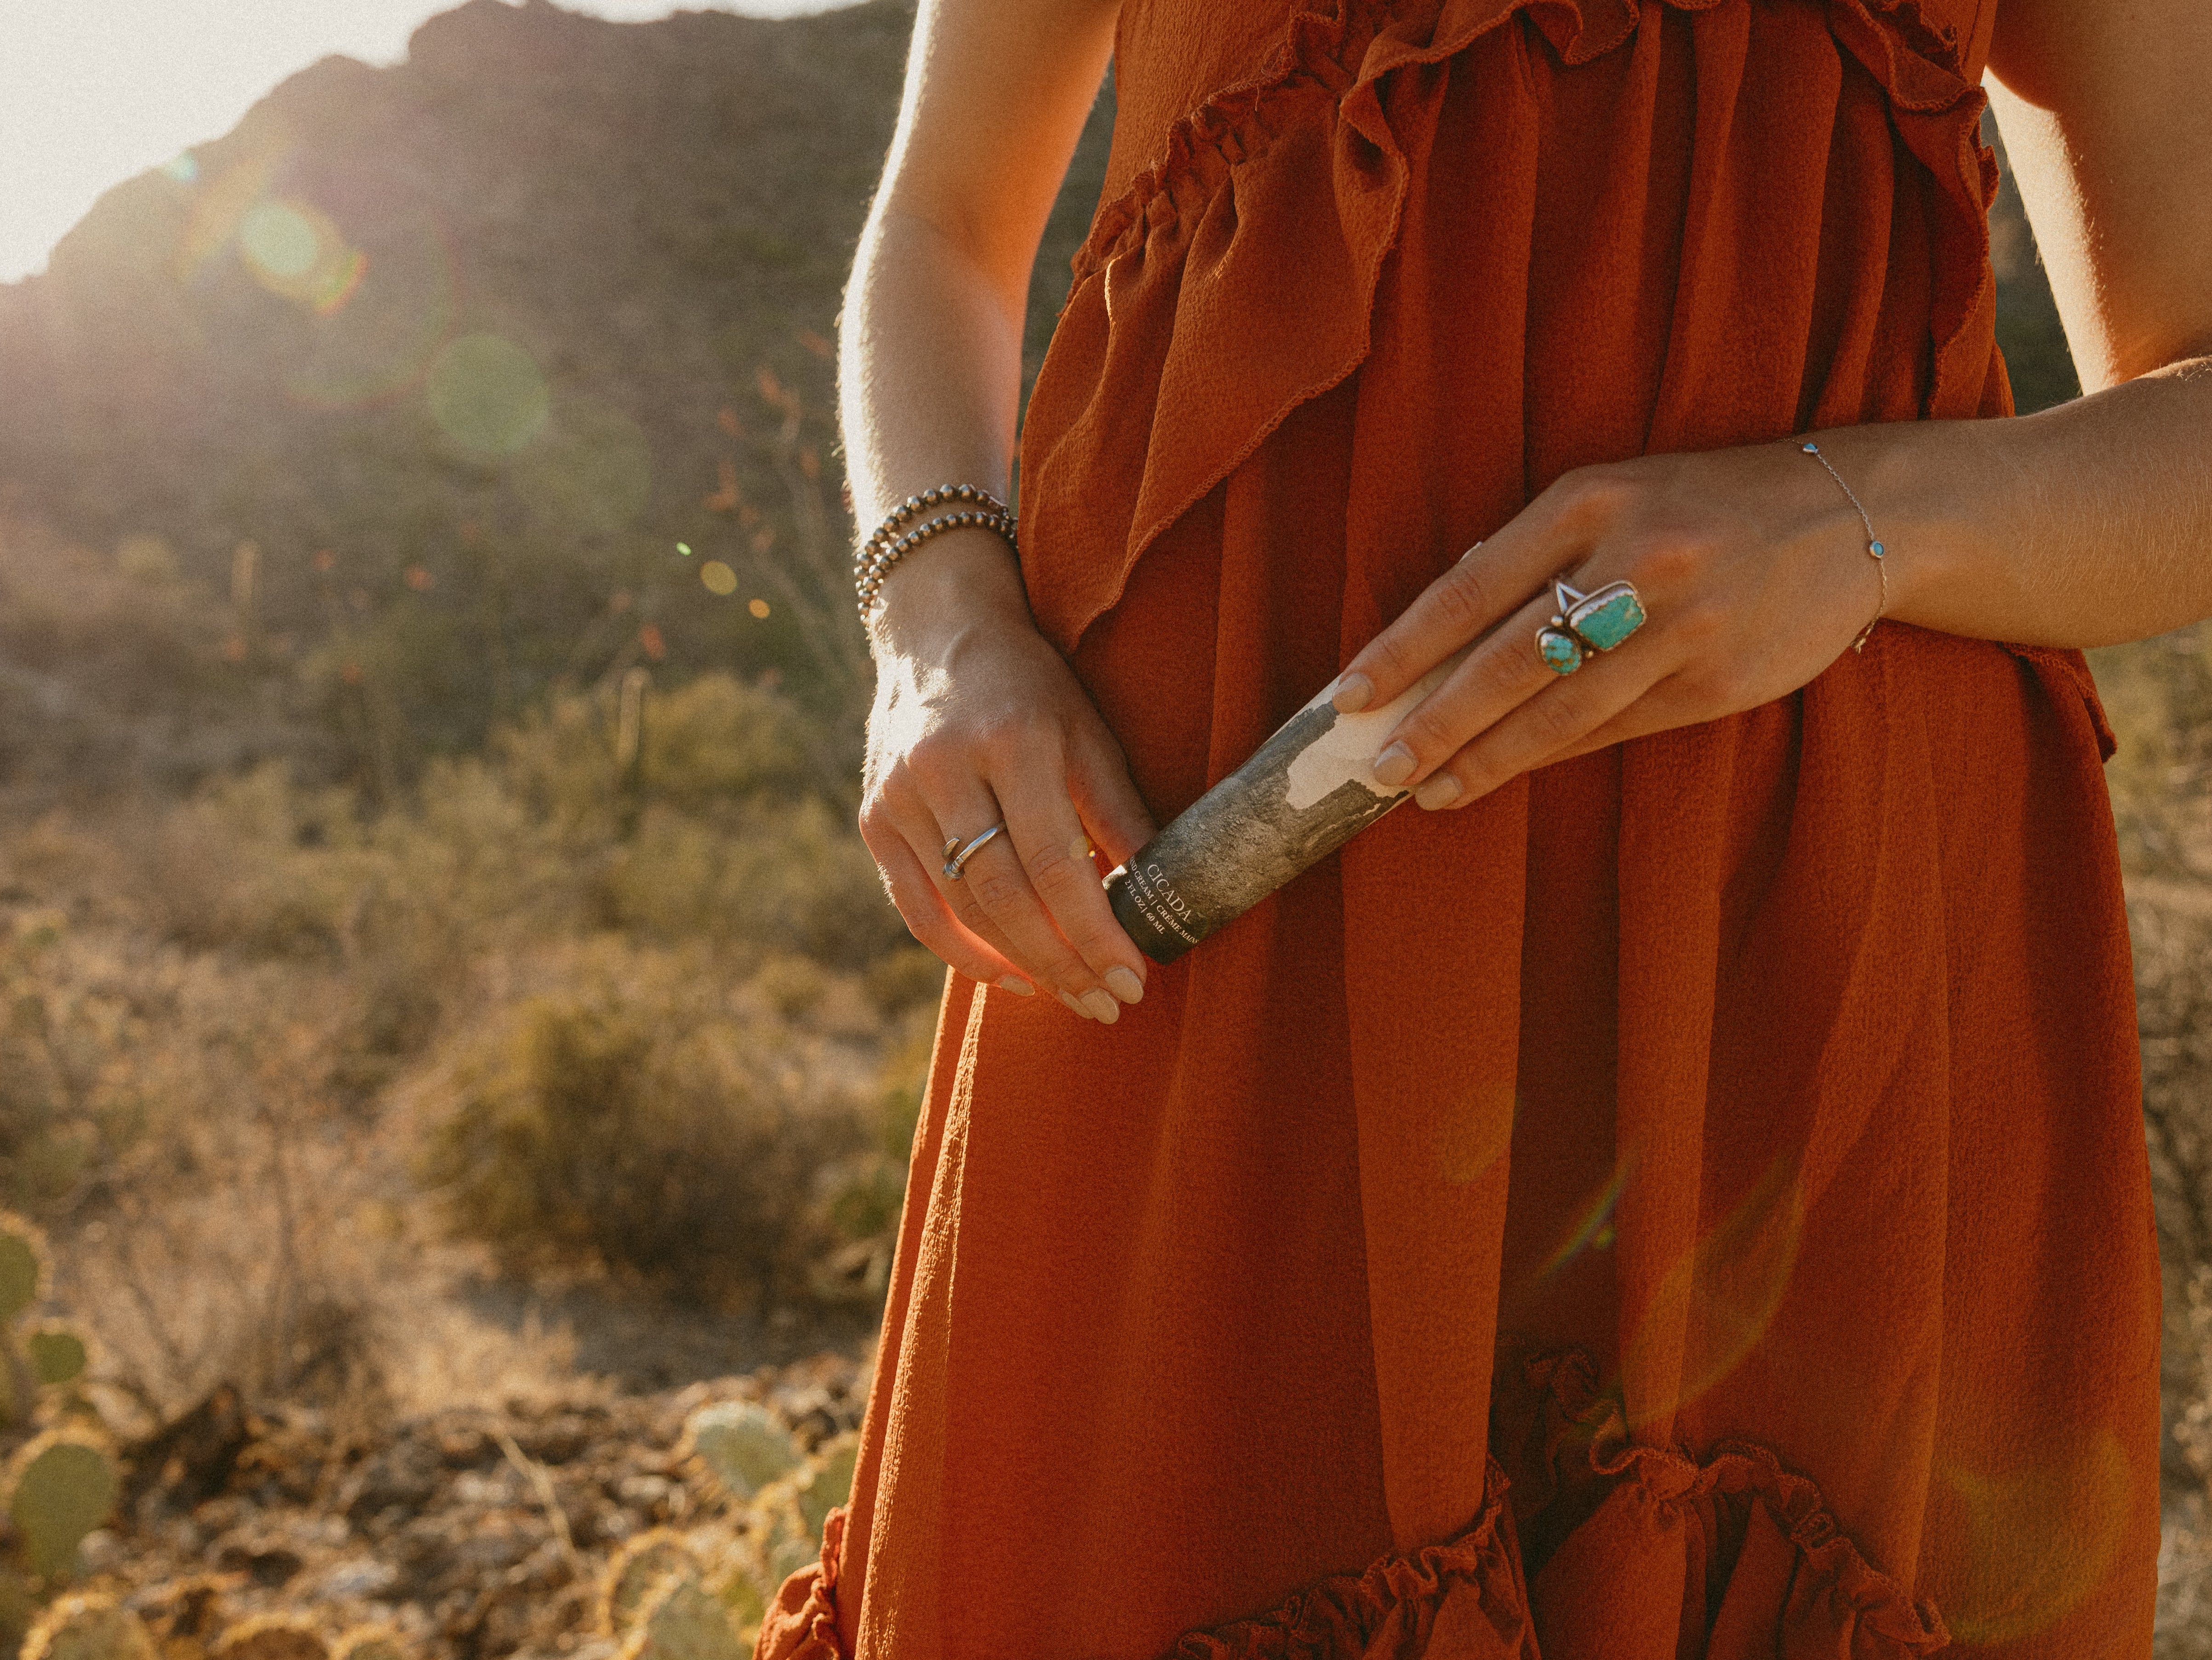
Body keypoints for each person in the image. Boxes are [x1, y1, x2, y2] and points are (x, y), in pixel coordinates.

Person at [762, 0, 2210, 1651]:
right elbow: (943, 226)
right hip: (1208, 903)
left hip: (1810, 931)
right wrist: (941, 628)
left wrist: (1854, 514)